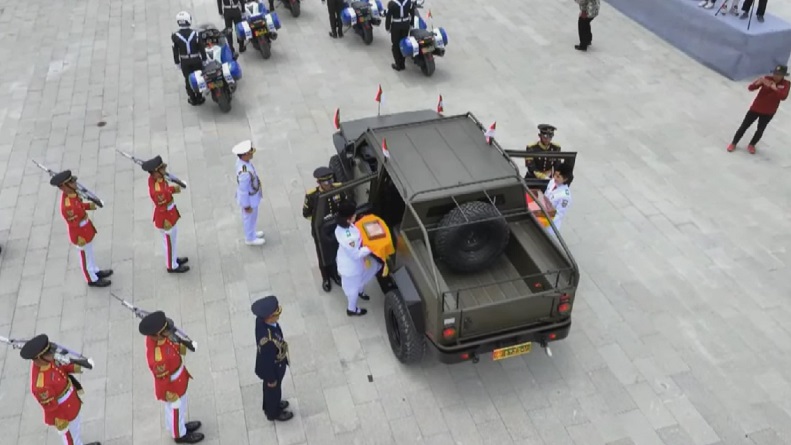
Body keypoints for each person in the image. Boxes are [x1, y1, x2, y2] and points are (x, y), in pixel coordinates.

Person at [20, 334, 101, 445]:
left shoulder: (47, 360)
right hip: (64, 411)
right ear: (39, 358)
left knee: (76, 430)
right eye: (48, 353)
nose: (52, 354)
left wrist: (80, 366)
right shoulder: (41, 385)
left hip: (71, 401)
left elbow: (62, 367)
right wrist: (61, 423)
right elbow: (51, 407)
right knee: (70, 439)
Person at [139, 311, 204, 444]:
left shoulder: (158, 336)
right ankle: (180, 435)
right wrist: (168, 393)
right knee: (176, 411)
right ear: (157, 335)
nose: (169, 331)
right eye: (165, 330)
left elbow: (172, 345)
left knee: (176, 410)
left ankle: (179, 427)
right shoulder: (159, 358)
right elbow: (161, 378)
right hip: (172, 385)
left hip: (178, 376)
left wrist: (183, 345)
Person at [50, 170, 113, 288]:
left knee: (90, 254)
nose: (74, 183)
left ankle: (95, 271)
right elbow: (74, 223)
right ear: (64, 186)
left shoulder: (72, 194)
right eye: (71, 182)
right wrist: (79, 238)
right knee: (85, 256)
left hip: (85, 227)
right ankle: (91, 279)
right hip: (80, 233)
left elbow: (80, 206)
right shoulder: (67, 206)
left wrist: (93, 205)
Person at [141, 156, 189, 274]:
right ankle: (171, 266)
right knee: (169, 242)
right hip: (165, 216)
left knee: (172, 241)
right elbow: (165, 194)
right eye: (161, 169)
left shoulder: (155, 178)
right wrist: (176, 188)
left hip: (169, 212)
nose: (164, 171)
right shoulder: (158, 191)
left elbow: (165, 186)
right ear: (155, 172)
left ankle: (173, 259)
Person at [727, 65, 789, 154]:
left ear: (783, 75)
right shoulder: (766, 79)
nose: (776, 76)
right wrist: (757, 83)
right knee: (744, 126)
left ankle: (752, 144)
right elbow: (750, 88)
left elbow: (783, 97)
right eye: (775, 73)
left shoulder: (786, 84)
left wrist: (775, 88)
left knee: (760, 130)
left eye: (779, 74)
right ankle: (733, 143)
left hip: (768, 112)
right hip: (756, 108)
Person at [303, 166, 346, 292]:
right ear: (319, 183)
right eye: (326, 182)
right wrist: (319, 222)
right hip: (321, 230)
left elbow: (343, 204)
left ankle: (334, 274)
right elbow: (306, 213)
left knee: (335, 251)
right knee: (323, 254)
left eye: (331, 180)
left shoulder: (338, 188)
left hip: (335, 227)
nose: (329, 184)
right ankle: (326, 277)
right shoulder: (312, 195)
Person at [251, 295, 294, 421]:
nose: (278, 316)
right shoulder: (267, 340)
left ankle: (271, 405)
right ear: (269, 317)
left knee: (272, 390)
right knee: (273, 390)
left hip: (274, 365)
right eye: (276, 314)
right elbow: (267, 361)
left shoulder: (262, 321)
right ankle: (273, 413)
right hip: (273, 368)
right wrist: (271, 379)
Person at [335, 200, 381, 316]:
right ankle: (352, 309)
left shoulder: (342, 227)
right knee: (353, 290)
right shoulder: (349, 238)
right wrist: (372, 247)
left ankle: (360, 289)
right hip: (352, 268)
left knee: (373, 266)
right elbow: (356, 254)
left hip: (352, 263)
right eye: (353, 215)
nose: (355, 216)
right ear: (348, 219)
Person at [232, 140, 266, 246]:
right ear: (245, 154)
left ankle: (252, 233)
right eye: (250, 152)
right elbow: (243, 190)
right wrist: (246, 205)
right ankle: (250, 238)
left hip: (252, 195)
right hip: (249, 199)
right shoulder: (244, 172)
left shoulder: (243, 163)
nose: (252, 154)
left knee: (252, 218)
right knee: (249, 218)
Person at [172, 11, 207, 106]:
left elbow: (175, 51)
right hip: (196, 60)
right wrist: (204, 59)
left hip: (185, 62)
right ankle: (200, 97)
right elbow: (201, 48)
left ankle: (192, 98)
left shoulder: (175, 36)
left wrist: (177, 63)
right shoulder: (195, 34)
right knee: (199, 77)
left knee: (188, 79)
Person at [538, 162, 573, 234]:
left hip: (549, 225)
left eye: (558, 177)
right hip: (541, 214)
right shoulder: (552, 182)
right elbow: (546, 195)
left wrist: (544, 220)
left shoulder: (565, 196)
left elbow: (559, 214)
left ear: (565, 179)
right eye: (555, 175)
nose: (554, 178)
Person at [385, 0, 415, 71]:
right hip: (405, 25)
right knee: (403, 43)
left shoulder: (392, 4)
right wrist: (411, 23)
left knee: (395, 45)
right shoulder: (409, 2)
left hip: (396, 26)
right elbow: (412, 13)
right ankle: (402, 63)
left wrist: (387, 27)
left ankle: (398, 64)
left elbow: (388, 16)